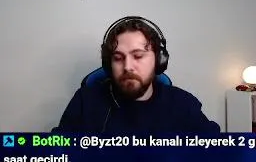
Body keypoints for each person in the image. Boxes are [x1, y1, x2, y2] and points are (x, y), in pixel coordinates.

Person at [53, 17, 220, 134]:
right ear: (108, 64)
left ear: (158, 60)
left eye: (138, 56)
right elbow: (57, 153)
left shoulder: (183, 105)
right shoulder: (85, 101)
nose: (127, 67)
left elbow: (218, 153)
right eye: (118, 58)